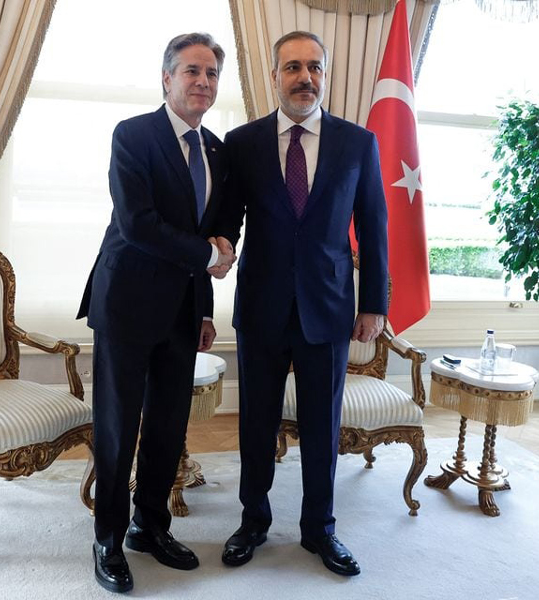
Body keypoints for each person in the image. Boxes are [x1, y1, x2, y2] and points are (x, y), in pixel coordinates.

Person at [213, 30, 388, 577]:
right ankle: (253, 521)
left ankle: (320, 529)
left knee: (321, 425)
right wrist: (218, 250)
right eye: (292, 67)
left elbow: (376, 228)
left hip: (330, 307)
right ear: (274, 76)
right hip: (261, 306)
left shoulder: (358, 143)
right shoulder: (240, 143)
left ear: (324, 75)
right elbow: (226, 220)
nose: (304, 78)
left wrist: (374, 302)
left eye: (314, 67)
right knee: (255, 424)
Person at [77, 32, 234, 594]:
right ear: (167, 79)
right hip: (125, 302)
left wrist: (207, 306)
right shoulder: (133, 135)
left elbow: (212, 233)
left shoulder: (217, 149)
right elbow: (138, 223)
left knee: (168, 426)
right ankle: (108, 540)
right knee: (119, 428)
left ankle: (150, 526)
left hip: (183, 309)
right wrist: (209, 255)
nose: (202, 82)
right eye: (192, 71)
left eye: (212, 74)